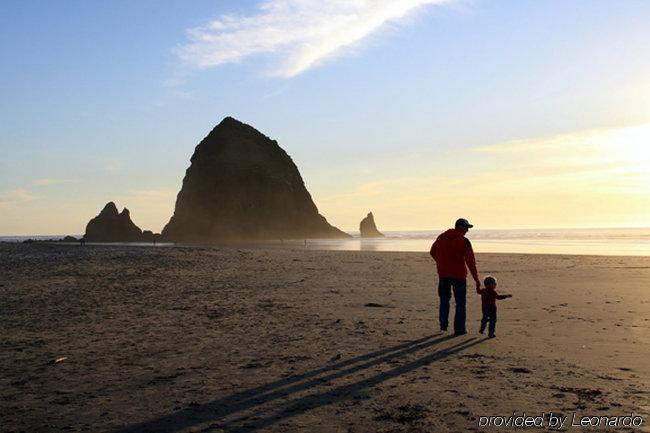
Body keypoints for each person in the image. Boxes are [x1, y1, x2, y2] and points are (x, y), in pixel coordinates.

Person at [430, 218, 480, 335]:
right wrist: (476, 279)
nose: (467, 230)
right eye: (466, 228)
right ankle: (459, 328)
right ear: (460, 227)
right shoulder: (463, 241)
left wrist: (441, 262)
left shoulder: (441, 237)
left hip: (444, 274)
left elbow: (432, 252)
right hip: (459, 275)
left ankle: (443, 325)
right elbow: (471, 262)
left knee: (444, 300)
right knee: (460, 302)